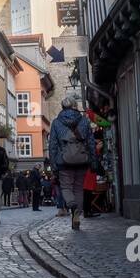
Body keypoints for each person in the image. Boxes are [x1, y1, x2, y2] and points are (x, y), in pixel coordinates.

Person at [49, 93, 94, 231]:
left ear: (62, 107)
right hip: (81, 159)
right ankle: (77, 216)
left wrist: (53, 164)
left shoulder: (56, 122)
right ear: (75, 106)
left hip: (64, 160)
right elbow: (90, 142)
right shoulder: (85, 121)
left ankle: (72, 206)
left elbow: (53, 145)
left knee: (66, 187)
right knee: (78, 188)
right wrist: (93, 159)